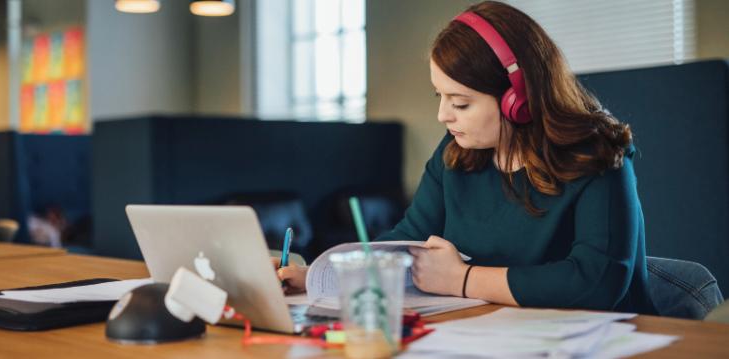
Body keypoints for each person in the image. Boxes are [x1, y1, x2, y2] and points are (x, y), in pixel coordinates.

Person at [276, 1, 656, 314]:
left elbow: (597, 281)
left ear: (518, 100)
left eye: (461, 102)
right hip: (499, 335)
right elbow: (406, 242)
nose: (443, 115)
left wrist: (461, 278)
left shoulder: (596, 153)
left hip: (605, 340)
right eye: (438, 97)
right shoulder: (456, 153)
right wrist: (321, 275)